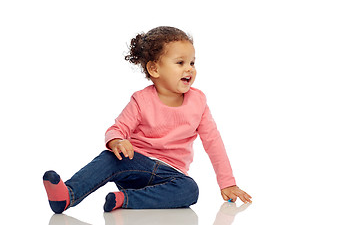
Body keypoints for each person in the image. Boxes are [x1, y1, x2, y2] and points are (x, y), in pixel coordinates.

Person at [43, 26, 252, 214]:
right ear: (154, 69)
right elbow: (118, 128)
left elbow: (213, 142)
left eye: (192, 62)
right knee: (109, 158)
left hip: (170, 174)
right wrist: (117, 141)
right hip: (136, 163)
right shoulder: (141, 100)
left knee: (190, 190)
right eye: (180, 63)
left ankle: (124, 200)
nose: (189, 68)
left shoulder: (198, 102)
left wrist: (227, 183)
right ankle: (68, 194)